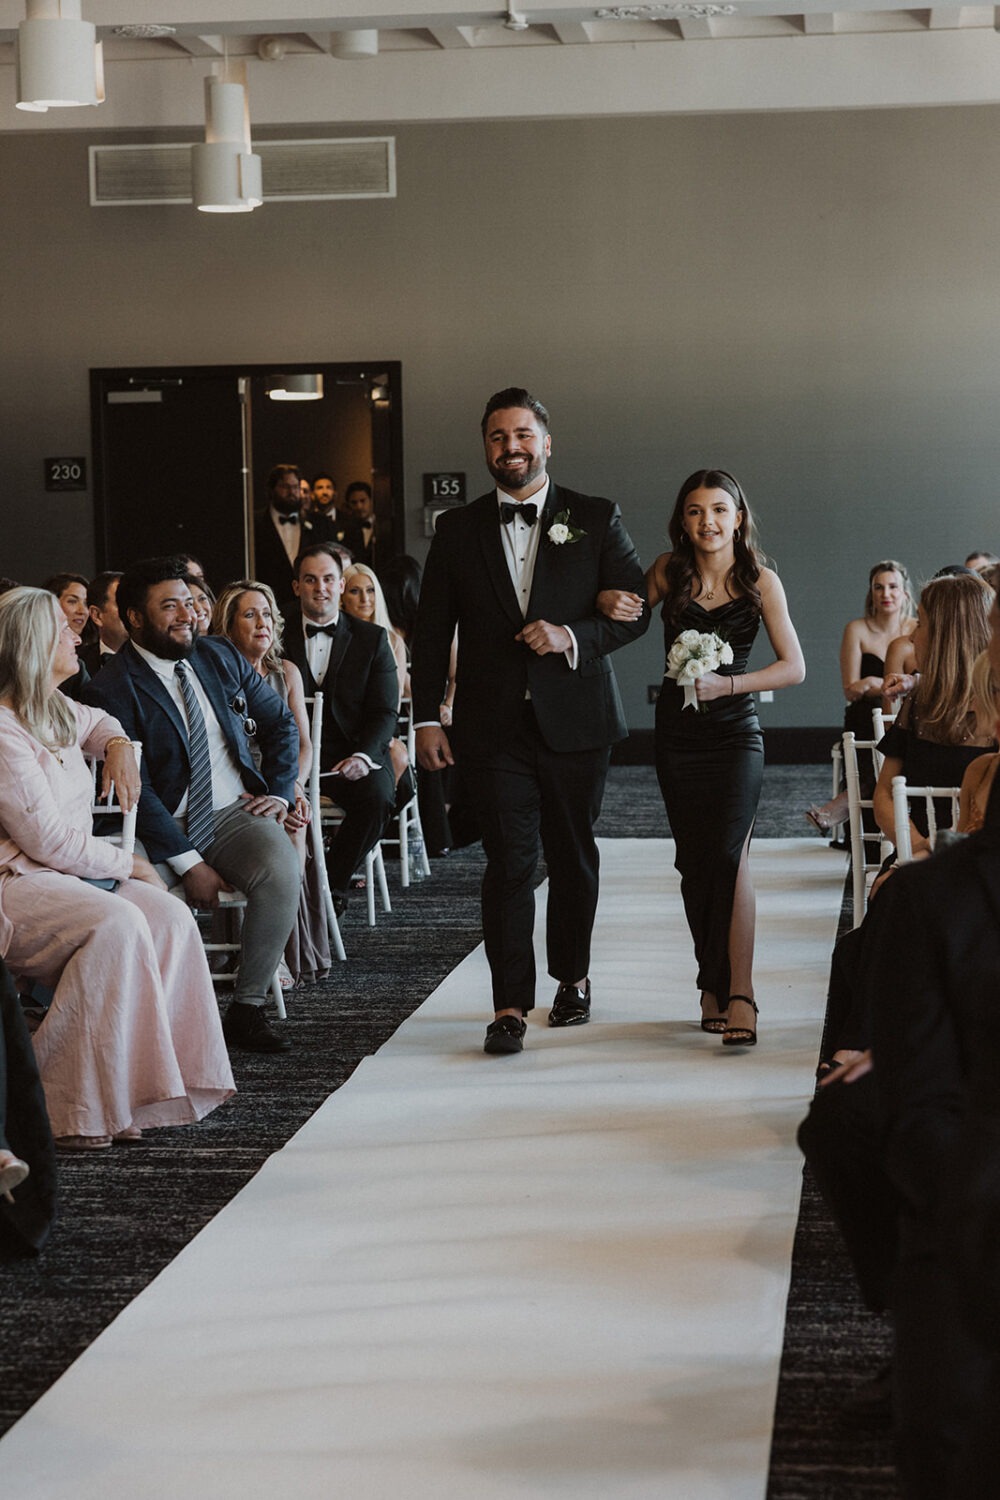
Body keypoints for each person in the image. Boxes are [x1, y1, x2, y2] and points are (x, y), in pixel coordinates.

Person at [411, 386, 650, 1055]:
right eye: (497, 437)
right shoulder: (458, 529)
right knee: (508, 864)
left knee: (572, 856)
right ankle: (509, 1004)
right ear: (486, 446)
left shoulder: (595, 516)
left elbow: (636, 613)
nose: (510, 448)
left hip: (577, 721)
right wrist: (427, 719)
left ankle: (572, 976)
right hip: (490, 729)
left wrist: (573, 635)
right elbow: (431, 634)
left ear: (546, 442)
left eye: (522, 435)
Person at [0, 586, 235, 1149]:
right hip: (17, 884)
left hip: (68, 877)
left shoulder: (52, 709)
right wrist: (130, 863)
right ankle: (64, 1107)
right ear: (34, 645)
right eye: (64, 629)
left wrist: (120, 746)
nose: (78, 634)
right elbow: (48, 841)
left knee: (171, 919)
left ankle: (136, 1095)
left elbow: (100, 722)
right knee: (118, 924)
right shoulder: (4, 730)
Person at [602, 468, 804, 1046]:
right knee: (694, 862)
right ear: (682, 521)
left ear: (738, 518)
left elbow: (794, 667)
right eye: (695, 511)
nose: (707, 521)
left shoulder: (762, 580)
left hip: (737, 732)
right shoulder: (669, 571)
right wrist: (601, 600)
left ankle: (742, 992)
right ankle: (710, 982)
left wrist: (731, 686)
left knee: (730, 854)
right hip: (678, 735)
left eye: (719, 509)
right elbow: (626, 618)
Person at [81, 557, 301, 1054]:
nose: (186, 614)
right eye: (169, 606)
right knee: (137, 903)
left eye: (189, 602)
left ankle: (246, 1009)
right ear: (135, 617)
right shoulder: (111, 687)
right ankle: (157, 1023)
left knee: (282, 868)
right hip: (160, 824)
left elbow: (281, 725)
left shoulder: (218, 655)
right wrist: (190, 862)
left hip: (229, 809)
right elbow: (141, 794)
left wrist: (281, 792)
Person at [212, 580, 331, 984]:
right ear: (228, 627)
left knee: (293, 826)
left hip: (281, 780)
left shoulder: (287, 673)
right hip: (235, 784)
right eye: (249, 614)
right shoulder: (215, 676)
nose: (262, 622)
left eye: (266, 613)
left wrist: (292, 788)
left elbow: (303, 744)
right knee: (269, 823)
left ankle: (271, 954)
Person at [282, 544, 399, 915]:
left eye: (329, 579)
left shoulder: (372, 639)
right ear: (296, 586)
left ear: (340, 583)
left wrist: (365, 756)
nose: (321, 588)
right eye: (311, 580)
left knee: (379, 798)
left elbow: (385, 711)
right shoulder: (274, 630)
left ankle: (330, 888)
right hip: (285, 760)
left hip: (346, 759)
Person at [872, 571, 995, 860]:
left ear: (947, 634)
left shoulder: (996, 705)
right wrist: (922, 851)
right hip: (917, 852)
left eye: (921, 622)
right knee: (886, 891)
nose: (912, 636)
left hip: (985, 857)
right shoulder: (920, 702)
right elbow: (885, 797)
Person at [805, 559, 915, 833]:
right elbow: (851, 689)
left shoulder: (916, 629)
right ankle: (853, 826)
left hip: (908, 713)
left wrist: (873, 681)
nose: (886, 594)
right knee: (871, 736)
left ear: (905, 593)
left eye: (893, 587)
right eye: (879, 587)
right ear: (871, 593)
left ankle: (835, 808)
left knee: (892, 750)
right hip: (864, 714)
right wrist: (881, 684)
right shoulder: (857, 629)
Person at [253, 462, 304, 603]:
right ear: (272, 489)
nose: (292, 492)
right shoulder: (254, 524)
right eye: (285, 487)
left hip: (306, 603)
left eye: (295, 487)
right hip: (269, 601)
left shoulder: (318, 524)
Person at [78, 570, 126, 677]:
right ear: (97, 615)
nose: (132, 612)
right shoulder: (76, 662)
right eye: (123, 604)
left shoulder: (161, 659)